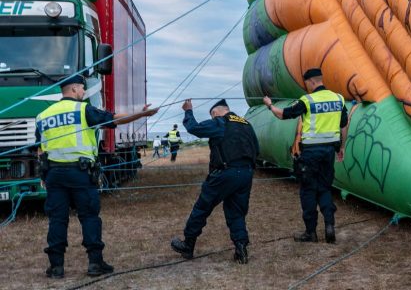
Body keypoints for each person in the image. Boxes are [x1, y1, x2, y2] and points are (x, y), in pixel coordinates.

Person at [35, 75, 158, 279]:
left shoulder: (43, 115)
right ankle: (95, 263)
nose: (83, 93)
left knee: (57, 219)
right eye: (82, 89)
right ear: (74, 89)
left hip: (54, 175)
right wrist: (141, 114)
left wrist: (43, 174)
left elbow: (40, 149)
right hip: (80, 173)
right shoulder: (83, 110)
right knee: (89, 217)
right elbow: (115, 118)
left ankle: (56, 267)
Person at [263, 68, 348, 244]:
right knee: (324, 188)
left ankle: (311, 232)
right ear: (321, 80)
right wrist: (342, 147)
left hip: (310, 154)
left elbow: (283, 114)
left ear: (310, 82)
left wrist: (270, 105)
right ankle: (330, 226)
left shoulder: (307, 100)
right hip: (328, 153)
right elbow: (344, 125)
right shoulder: (338, 99)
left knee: (308, 190)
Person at [170, 98, 258, 264]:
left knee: (202, 207)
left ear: (216, 112)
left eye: (212, 116)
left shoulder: (220, 122)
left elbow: (194, 128)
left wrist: (188, 111)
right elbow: (257, 148)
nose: (212, 119)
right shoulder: (246, 124)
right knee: (236, 212)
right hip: (246, 173)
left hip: (225, 173)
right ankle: (241, 248)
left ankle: (188, 245)